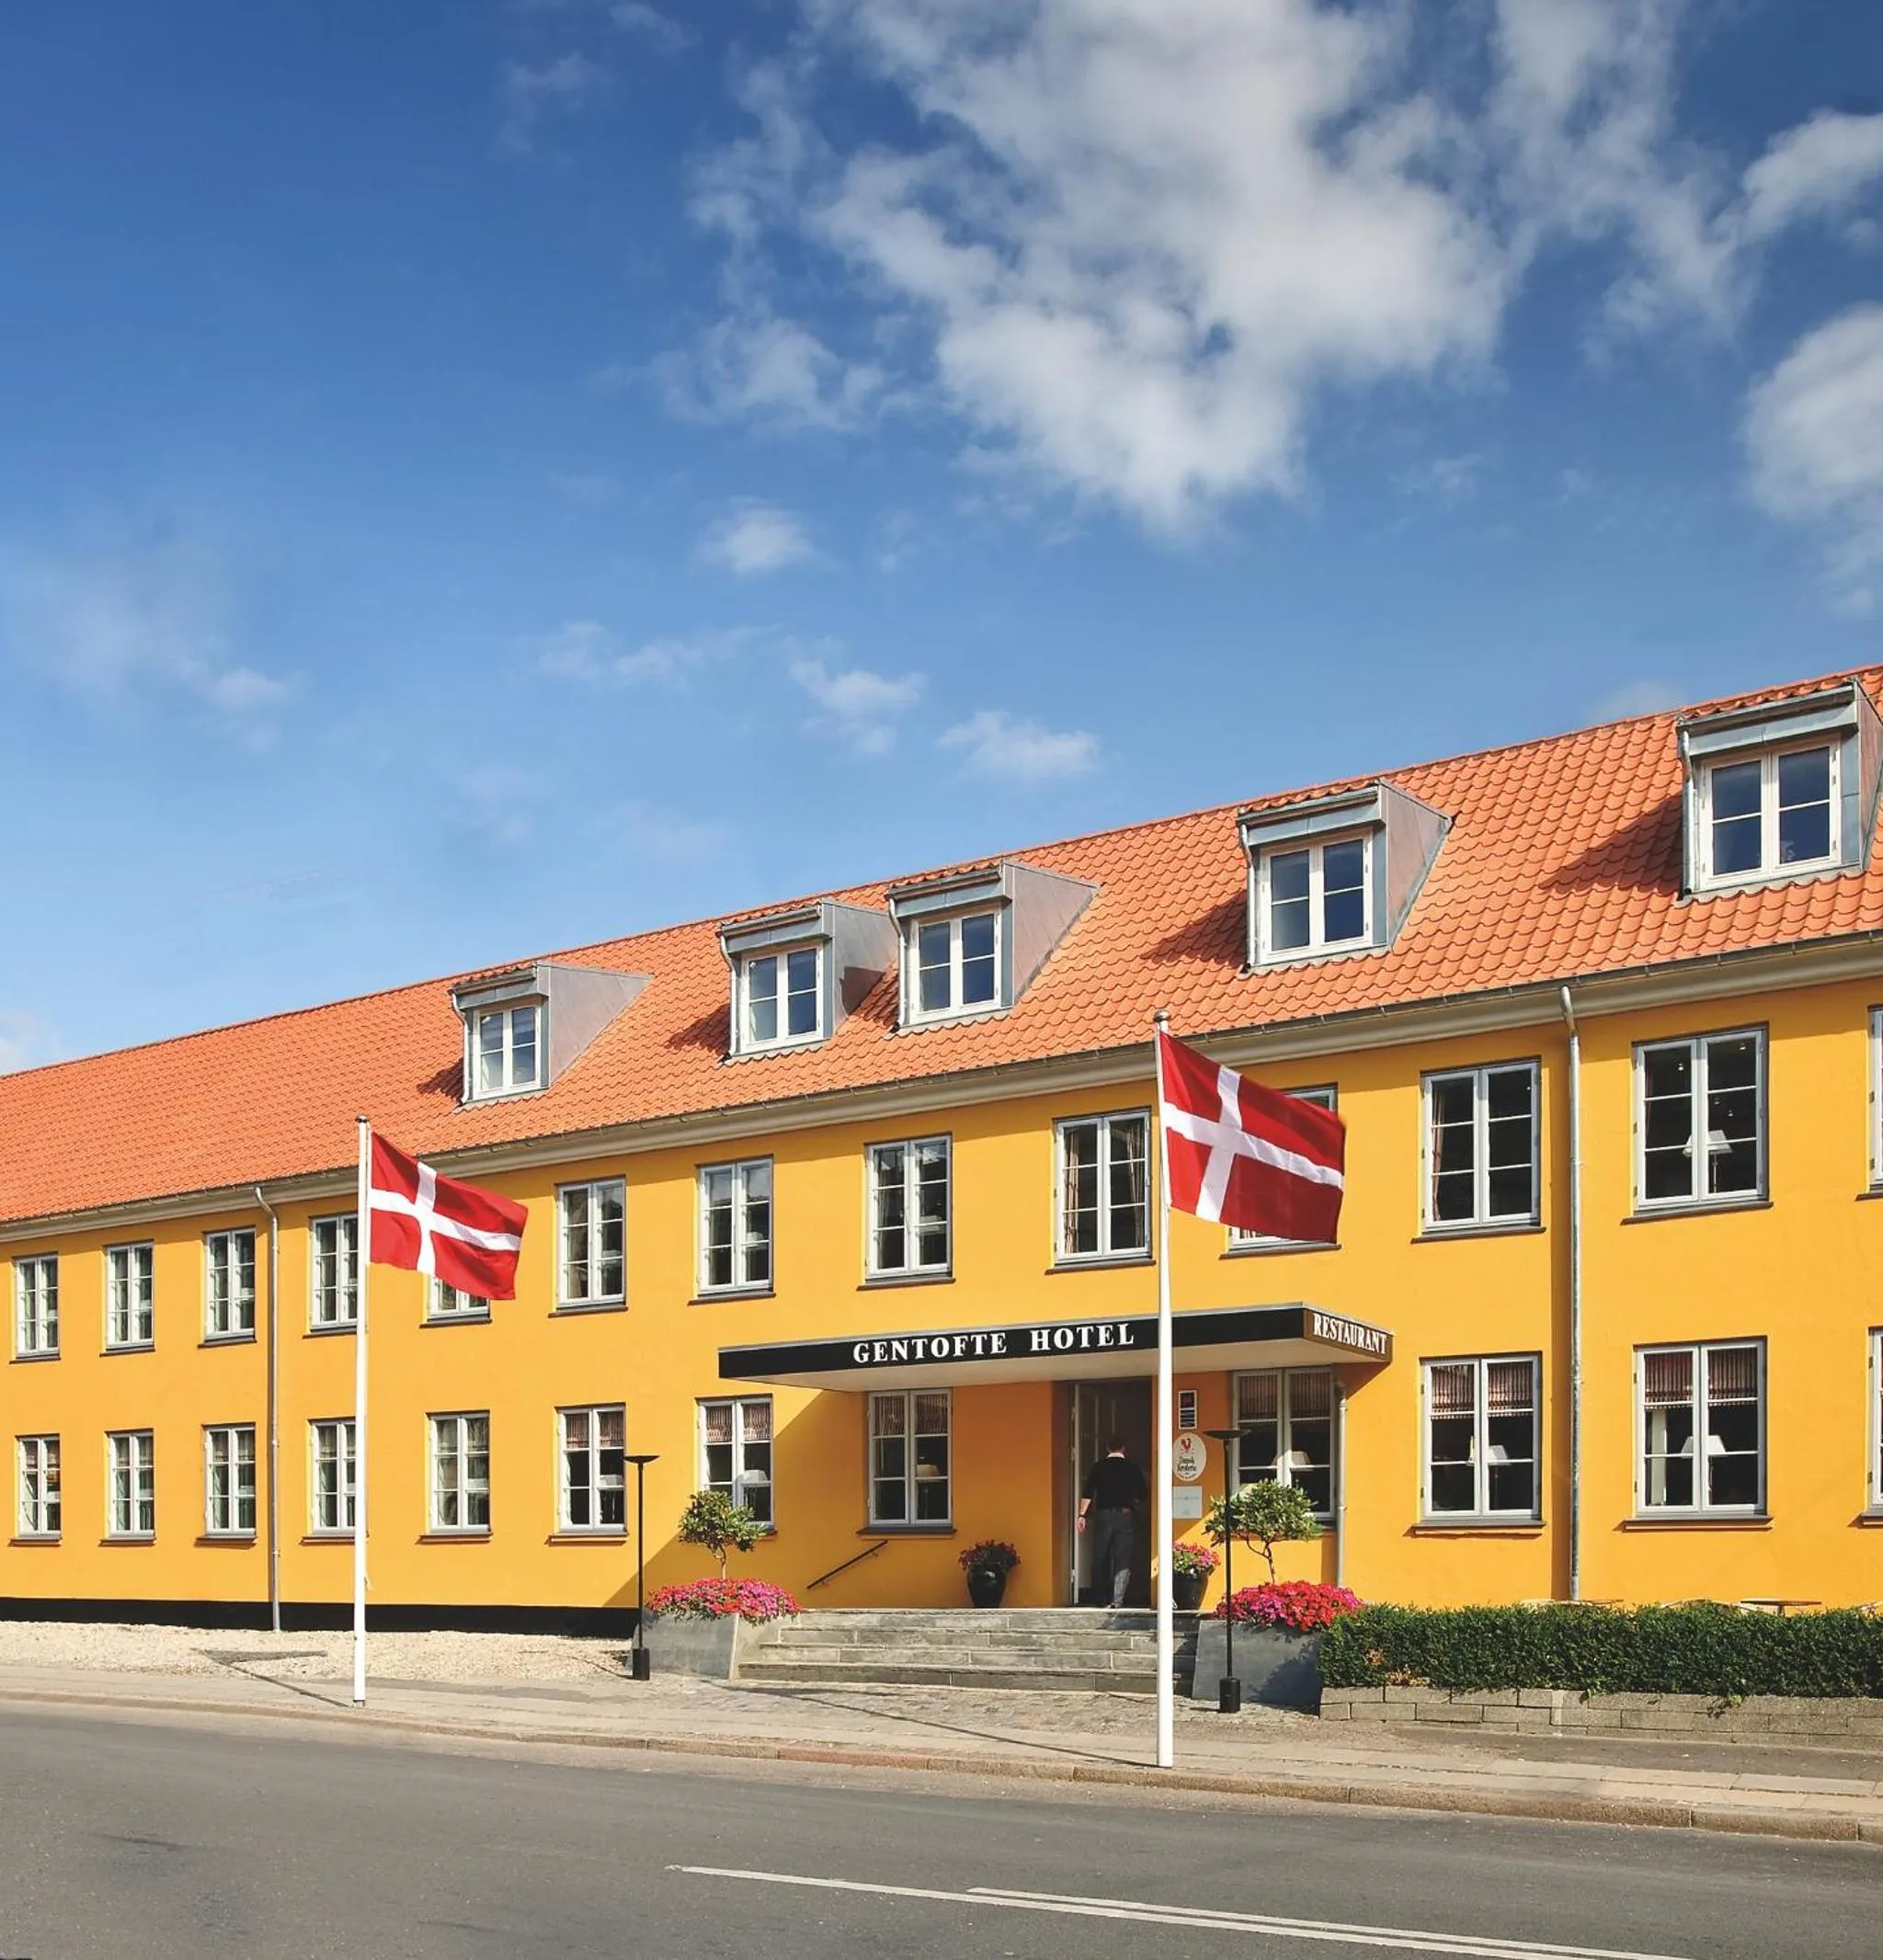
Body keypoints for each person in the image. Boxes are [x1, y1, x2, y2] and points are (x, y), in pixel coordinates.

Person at [1077, 1436, 1148, 1607]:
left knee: (1100, 1555)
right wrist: (1132, 1502)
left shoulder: (1098, 1467)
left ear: (1108, 1448)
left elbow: (1088, 1492)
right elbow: (1142, 1494)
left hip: (1104, 1514)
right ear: (1124, 1448)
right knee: (1122, 1557)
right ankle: (1117, 1600)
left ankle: (1099, 1598)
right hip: (1125, 1514)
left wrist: (1082, 1515)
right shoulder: (1132, 1468)